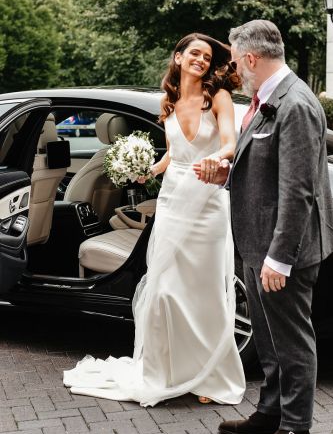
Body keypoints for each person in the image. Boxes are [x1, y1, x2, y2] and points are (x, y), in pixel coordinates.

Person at [63, 33, 246, 407]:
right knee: (164, 290)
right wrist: (149, 169)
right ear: (178, 57)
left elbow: (230, 142)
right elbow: (175, 153)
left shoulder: (219, 98)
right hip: (174, 201)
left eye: (207, 56)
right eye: (193, 53)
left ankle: (211, 376)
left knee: (206, 290)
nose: (200, 60)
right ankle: (166, 371)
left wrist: (219, 158)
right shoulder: (169, 102)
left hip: (208, 202)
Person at [195, 20, 333, 434]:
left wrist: (279, 259)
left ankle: (295, 430)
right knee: (268, 337)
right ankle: (270, 411)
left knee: (292, 341)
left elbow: (298, 190)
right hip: (256, 243)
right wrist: (225, 173)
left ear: (252, 58)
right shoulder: (263, 101)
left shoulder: (295, 104)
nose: (235, 70)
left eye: (236, 62)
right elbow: (261, 165)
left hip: (282, 252)